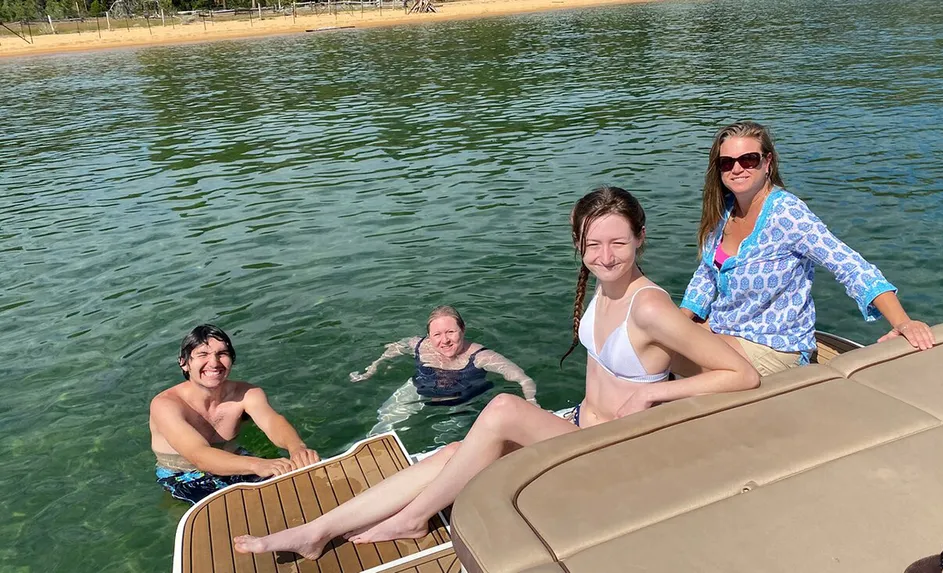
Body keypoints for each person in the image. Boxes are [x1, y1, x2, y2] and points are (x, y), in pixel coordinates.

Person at [232, 186, 757, 558]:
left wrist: (655, 397)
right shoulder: (604, 288)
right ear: (579, 244)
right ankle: (318, 529)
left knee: (503, 408)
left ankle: (414, 519)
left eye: (618, 242)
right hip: (580, 429)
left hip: (615, 454)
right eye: (592, 244)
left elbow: (740, 374)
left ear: (641, 237)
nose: (605, 255)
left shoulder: (649, 307)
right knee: (453, 453)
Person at [679, 121, 935, 376]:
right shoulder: (723, 211)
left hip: (771, 346)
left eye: (748, 159)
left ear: (767, 163)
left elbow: (848, 264)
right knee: (649, 333)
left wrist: (903, 322)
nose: (737, 169)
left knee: (658, 353)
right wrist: (682, 317)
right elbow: (706, 276)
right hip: (723, 328)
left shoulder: (786, 214)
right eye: (727, 162)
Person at [149, 324, 320, 504]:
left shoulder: (247, 393)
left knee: (303, 490)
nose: (214, 363)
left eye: (222, 354)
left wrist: (297, 448)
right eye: (203, 354)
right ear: (184, 363)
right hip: (184, 475)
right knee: (239, 513)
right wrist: (258, 464)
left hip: (238, 462)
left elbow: (273, 422)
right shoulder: (166, 405)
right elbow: (198, 455)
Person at [350, 306, 538, 435]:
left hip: (462, 400)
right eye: (437, 334)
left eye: (451, 332)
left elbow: (523, 379)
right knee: (384, 420)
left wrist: (531, 401)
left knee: (446, 435)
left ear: (462, 330)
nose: (445, 340)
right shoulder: (420, 345)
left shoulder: (481, 356)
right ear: (429, 336)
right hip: (419, 390)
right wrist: (371, 370)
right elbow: (396, 347)